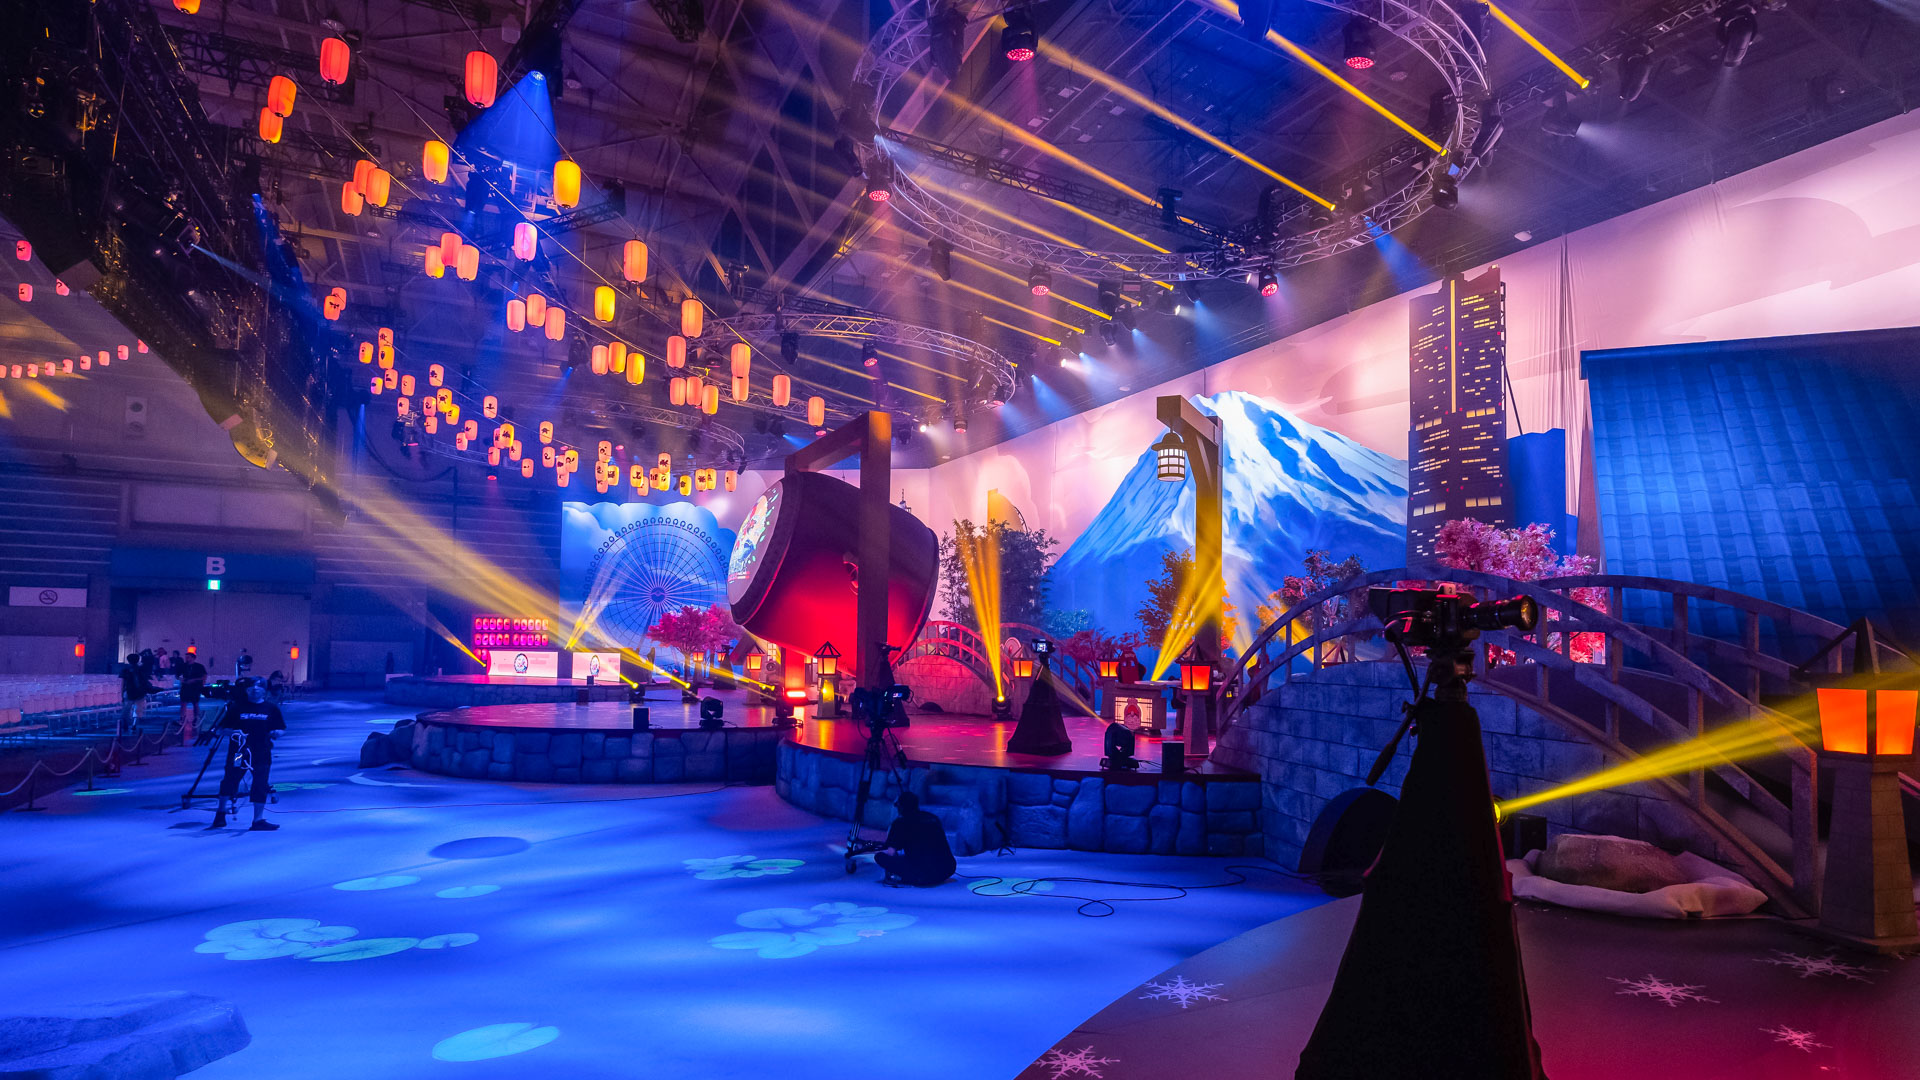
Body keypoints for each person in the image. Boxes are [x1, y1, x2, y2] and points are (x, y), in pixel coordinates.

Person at [211, 679, 285, 831]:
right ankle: (220, 813)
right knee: (230, 779)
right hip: (239, 752)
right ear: (246, 690)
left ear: (264, 690)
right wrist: (234, 732)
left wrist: (277, 733)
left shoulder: (271, 708)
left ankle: (258, 820)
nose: (255, 689)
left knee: (260, 783)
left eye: (259, 687)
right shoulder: (236, 707)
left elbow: (281, 728)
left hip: (261, 752)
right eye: (252, 687)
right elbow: (220, 730)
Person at [873, 792, 954, 886]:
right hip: (947, 870)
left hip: (924, 874)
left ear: (900, 807)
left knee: (879, 857)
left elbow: (891, 852)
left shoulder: (900, 823)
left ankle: (903, 877)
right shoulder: (933, 818)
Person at [178, 653, 208, 739]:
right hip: (185, 686)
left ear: (193, 658)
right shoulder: (183, 666)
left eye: (188, 657)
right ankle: (182, 718)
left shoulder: (199, 666)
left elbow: (204, 676)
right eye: (186, 657)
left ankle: (196, 718)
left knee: (195, 703)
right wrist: (181, 679)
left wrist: (195, 680)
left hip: (195, 687)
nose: (187, 659)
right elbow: (177, 675)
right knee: (183, 702)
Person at [119, 654, 153, 726]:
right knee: (138, 710)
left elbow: (122, 683)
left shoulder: (125, 670)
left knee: (126, 710)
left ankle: (125, 724)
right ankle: (134, 725)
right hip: (140, 692)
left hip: (129, 691)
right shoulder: (142, 669)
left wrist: (121, 695)